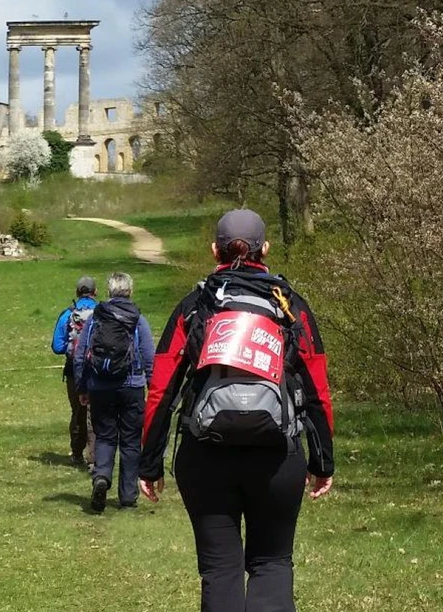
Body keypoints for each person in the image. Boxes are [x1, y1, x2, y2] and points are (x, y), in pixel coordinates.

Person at [137, 209, 336, 612]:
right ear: (266, 249)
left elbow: (162, 388)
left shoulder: (195, 305)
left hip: (205, 454)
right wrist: (323, 461)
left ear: (215, 251)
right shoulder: (290, 306)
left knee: (220, 569)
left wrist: (149, 462)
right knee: (272, 563)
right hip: (277, 457)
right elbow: (318, 390)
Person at [72, 272, 154, 512]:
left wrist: (82, 387)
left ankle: (101, 477)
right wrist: (152, 386)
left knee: (105, 436)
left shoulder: (96, 318)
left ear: (108, 291)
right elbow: (149, 356)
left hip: (100, 387)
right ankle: (127, 497)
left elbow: (80, 354)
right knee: (130, 441)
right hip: (132, 387)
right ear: (130, 291)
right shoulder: (138, 319)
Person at [51, 276, 98, 467]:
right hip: (97, 370)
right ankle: (95, 458)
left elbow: (57, 346)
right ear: (95, 292)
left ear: (77, 292)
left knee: (78, 411)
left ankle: (77, 453)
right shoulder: (102, 313)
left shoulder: (67, 314)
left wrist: (73, 349)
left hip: (73, 370)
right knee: (95, 412)